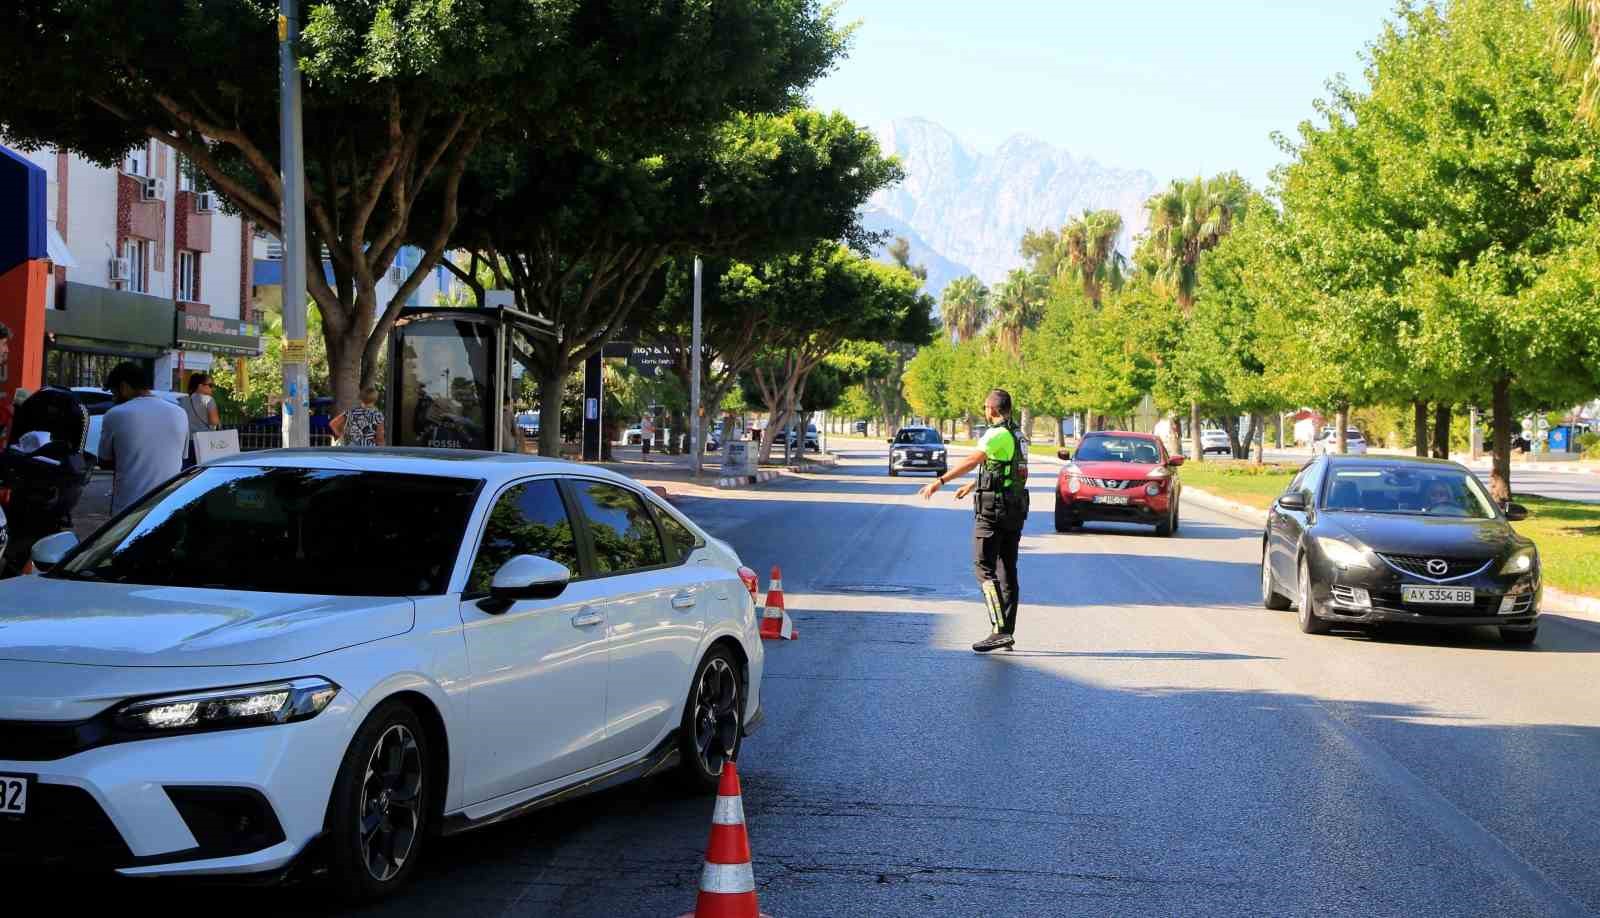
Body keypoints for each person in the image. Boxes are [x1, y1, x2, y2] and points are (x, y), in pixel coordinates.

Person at [919, 388, 1030, 653]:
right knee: (1007, 570)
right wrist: (972, 486)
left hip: (994, 511)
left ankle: (999, 630)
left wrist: (940, 481)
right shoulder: (1018, 434)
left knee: (984, 569)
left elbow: (973, 460)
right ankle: (1006, 631)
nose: (984, 410)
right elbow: (1004, 470)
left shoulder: (996, 433)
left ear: (992, 409)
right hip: (1015, 509)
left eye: (985, 406)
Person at [98, 361, 188, 514]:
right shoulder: (180, 413)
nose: (113, 399)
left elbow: (104, 462)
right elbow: (182, 458)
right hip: (169, 507)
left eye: (114, 393)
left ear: (124, 387)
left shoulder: (116, 414)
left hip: (128, 511)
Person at [181, 372, 221, 467]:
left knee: (187, 472)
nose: (213, 388)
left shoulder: (182, 400)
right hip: (204, 442)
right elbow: (214, 421)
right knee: (203, 471)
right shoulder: (209, 400)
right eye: (210, 385)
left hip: (186, 443)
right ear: (200, 386)